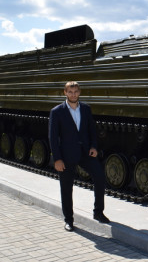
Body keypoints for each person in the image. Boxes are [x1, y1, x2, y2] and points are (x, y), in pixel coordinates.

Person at [49, 81, 110, 232]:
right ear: (65, 93)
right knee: (66, 188)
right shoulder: (57, 111)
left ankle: (98, 212)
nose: (73, 94)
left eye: (76, 91)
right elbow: (52, 137)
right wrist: (57, 159)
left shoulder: (86, 109)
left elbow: (92, 130)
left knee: (100, 176)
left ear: (79, 92)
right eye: (70, 92)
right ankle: (69, 220)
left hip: (85, 153)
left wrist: (94, 147)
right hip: (66, 156)